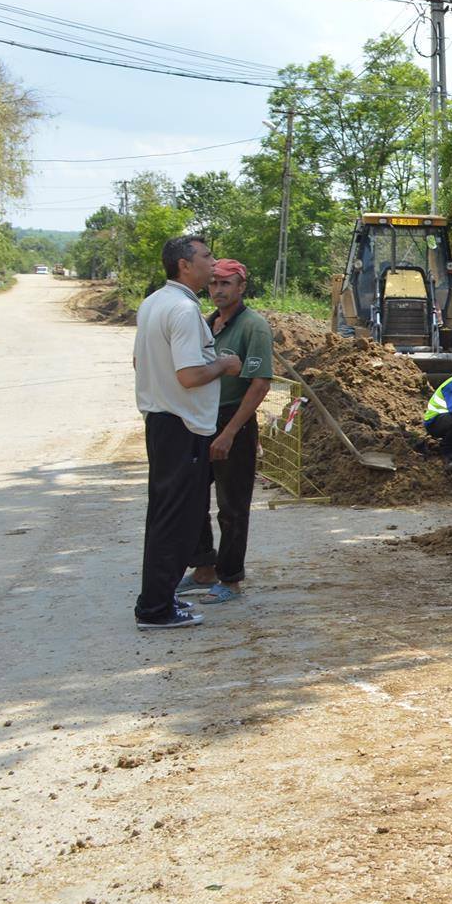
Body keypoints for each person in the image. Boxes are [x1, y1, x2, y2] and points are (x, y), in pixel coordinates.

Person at [131, 235, 239, 630]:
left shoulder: (154, 303)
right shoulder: (181, 310)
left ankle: (157, 599)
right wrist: (224, 365)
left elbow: (137, 361)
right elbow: (190, 374)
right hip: (180, 425)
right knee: (176, 520)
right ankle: (155, 609)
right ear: (184, 265)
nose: (214, 263)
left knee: (164, 516)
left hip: (163, 422)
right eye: (206, 257)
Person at [181, 259, 272, 604]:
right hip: (202, 420)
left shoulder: (253, 327)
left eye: (227, 284)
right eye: (214, 284)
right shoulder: (207, 324)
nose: (218, 290)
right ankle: (204, 566)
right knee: (190, 496)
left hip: (233, 421)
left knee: (232, 506)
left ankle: (230, 578)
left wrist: (230, 432)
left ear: (241, 287)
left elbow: (259, 384)